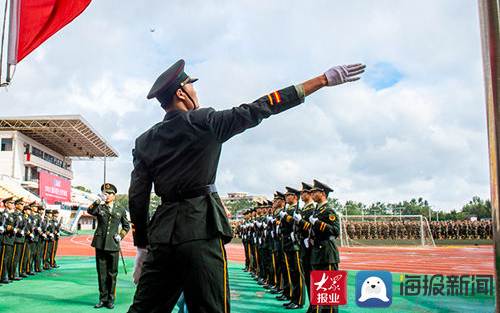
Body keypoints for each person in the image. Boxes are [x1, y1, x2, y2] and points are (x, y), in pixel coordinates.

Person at [128, 60, 365, 313]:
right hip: (201, 228)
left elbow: (137, 198)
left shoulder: (144, 141)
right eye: (191, 86)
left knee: (145, 309)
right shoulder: (205, 122)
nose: (195, 92)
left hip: (162, 236)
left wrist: (142, 246)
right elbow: (261, 107)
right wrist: (321, 80)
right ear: (180, 92)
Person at [88, 183, 130, 309]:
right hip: (100, 244)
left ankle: (111, 299)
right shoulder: (100, 208)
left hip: (113, 244)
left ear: (114, 195)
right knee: (101, 273)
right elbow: (89, 211)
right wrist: (97, 201)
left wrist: (121, 236)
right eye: (104, 193)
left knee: (112, 273)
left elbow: (126, 226)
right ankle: (102, 298)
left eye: (109, 193)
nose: (106, 195)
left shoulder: (120, 209)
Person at [306, 180, 340, 313]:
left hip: (327, 252)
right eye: (312, 192)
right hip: (317, 251)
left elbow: (335, 230)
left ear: (323, 193)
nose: (312, 194)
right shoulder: (317, 210)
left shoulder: (328, 210)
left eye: (315, 192)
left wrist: (318, 223)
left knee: (330, 289)